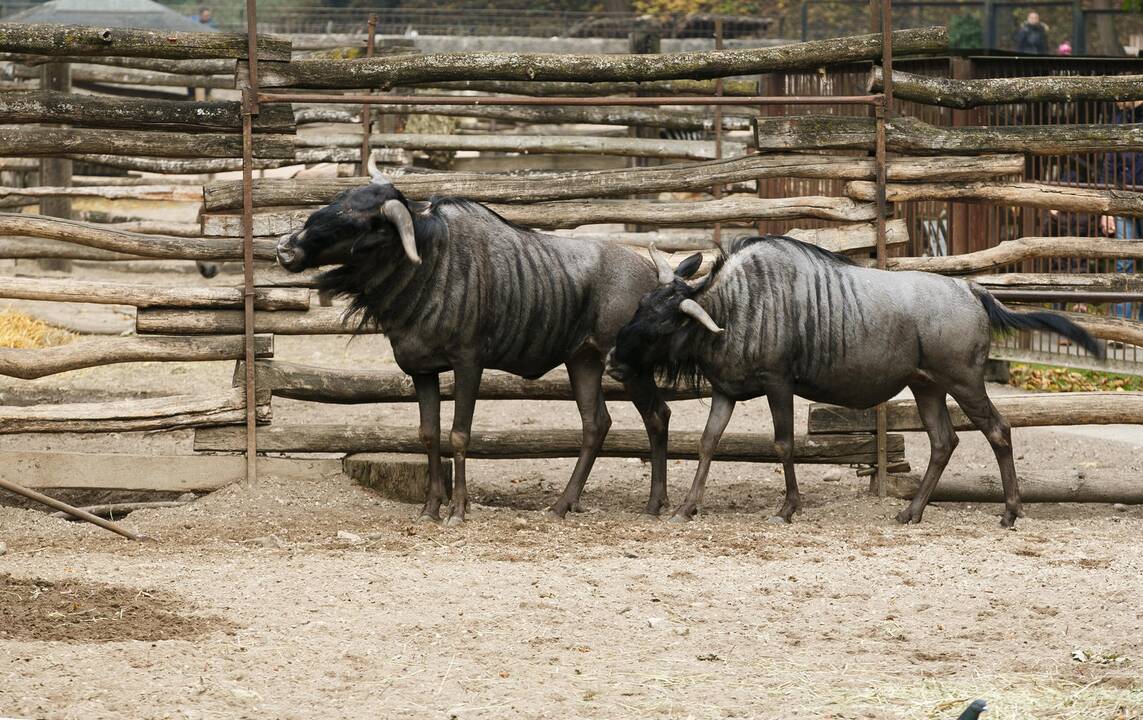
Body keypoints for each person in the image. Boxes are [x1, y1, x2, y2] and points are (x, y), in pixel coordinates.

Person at [1101, 99, 1143, 322]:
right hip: (1122, 200)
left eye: (1121, 95)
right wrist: (1106, 209)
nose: (1116, 100)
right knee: (1123, 262)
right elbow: (1108, 164)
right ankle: (1121, 324)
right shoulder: (1118, 120)